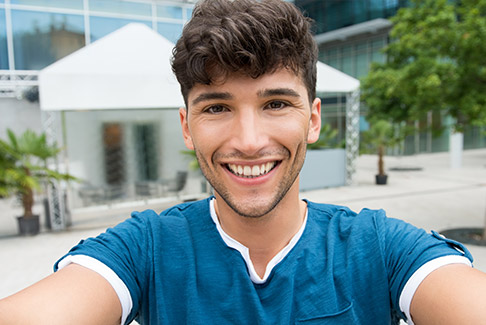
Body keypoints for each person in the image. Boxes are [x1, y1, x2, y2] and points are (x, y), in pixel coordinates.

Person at [1, 0, 486, 324]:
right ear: (187, 126)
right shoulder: (144, 250)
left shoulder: (379, 248)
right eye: (217, 107)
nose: (250, 141)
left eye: (276, 103)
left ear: (313, 119)